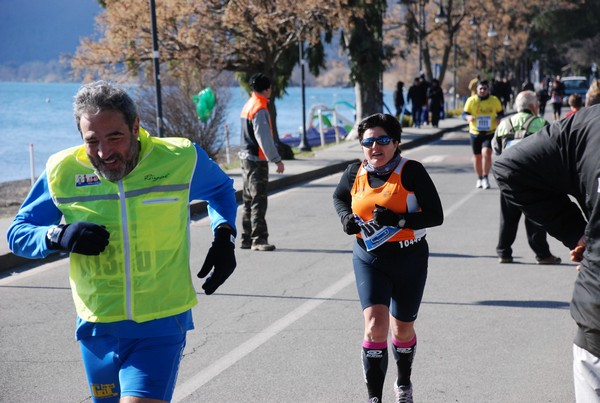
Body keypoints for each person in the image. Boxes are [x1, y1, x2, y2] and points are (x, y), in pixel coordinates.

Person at [6, 80, 238, 402]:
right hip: (97, 326)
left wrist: (224, 235)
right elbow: (18, 232)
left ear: (136, 126)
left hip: (160, 321)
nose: (104, 152)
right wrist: (58, 236)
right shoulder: (62, 171)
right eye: (92, 141)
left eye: (114, 137)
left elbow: (220, 189)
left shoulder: (179, 158)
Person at [332, 113, 444, 403]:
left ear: (396, 143)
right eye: (368, 141)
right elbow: (340, 197)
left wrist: (400, 220)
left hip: (410, 259)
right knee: (375, 325)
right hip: (369, 258)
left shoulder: (412, 171)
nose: (374, 147)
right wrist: (346, 218)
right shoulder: (353, 172)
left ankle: (404, 383)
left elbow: (436, 216)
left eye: (382, 140)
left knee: (402, 329)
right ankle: (374, 398)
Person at [493, 104, 600, 402]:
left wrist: (576, 234)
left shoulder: (584, 124)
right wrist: (577, 233)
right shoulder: (584, 126)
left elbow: (507, 166)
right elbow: (508, 167)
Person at [491, 90, 561, 265]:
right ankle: (543, 254)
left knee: (507, 217)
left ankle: (504, 252)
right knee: (535, 217)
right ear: (532, 106)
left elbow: (496, 149)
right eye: (536, 104)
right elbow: (551, 150)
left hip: (508, 176)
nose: (538, 106)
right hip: (534, 179)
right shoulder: (541, 123)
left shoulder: (504, 124)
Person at [239, 73, 285, 251]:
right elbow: (263, 138)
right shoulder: (260, 108)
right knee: (258, 199)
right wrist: (276, 160)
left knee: (248, 199)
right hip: (256, 160)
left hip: (244, 157)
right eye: (270, 87)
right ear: (266, 89)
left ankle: (246, 238)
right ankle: (258, 239)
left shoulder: (248, 105)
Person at [463, 80, 504, 189]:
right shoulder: (471, 100)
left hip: (489, 132)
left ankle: (485, 177)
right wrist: (468, 117)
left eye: (485, 89)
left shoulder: (494, 100)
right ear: (477, 90)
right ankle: (479, 178)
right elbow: (464, 113)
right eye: (480, 89)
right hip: (475, 132)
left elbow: (500, 112)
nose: (482, 91)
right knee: (477, 157)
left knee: (486, 153)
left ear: (488, 90)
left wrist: (498, 118)